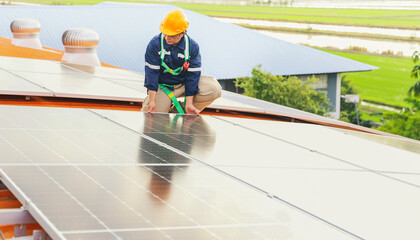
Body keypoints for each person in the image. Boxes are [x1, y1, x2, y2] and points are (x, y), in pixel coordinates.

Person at [142, 9, 222, 114]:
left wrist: (189, 103)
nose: (167, 38)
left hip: (184, 84)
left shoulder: (192, 47)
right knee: (151, 114)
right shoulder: (155, 45)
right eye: (165, 33)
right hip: (163, 86)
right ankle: (162, 105)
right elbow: (151, 74)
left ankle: (180, 110)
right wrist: (152, 101)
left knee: (214, 89)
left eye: (172, 35)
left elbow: (193, 76)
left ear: (182, 33)